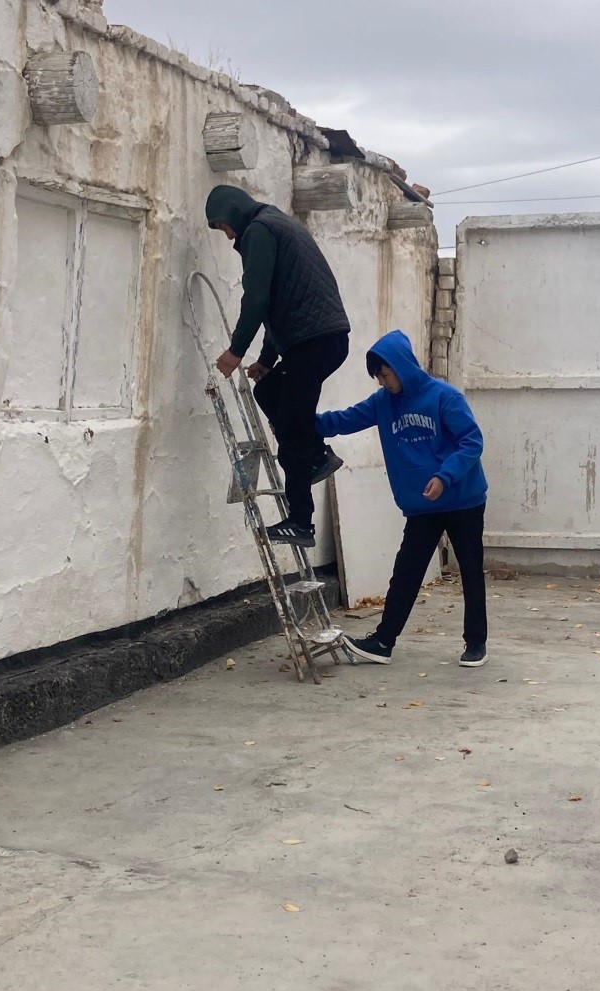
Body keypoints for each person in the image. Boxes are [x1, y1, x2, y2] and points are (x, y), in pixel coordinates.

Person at [316, 329, 489, 667]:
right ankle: (382, 642)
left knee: (470, 570)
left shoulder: (444, 397)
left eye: (385, 374)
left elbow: (472, 441)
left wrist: (444, 476)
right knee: (406, 572)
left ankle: (476, 643)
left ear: (401, 366)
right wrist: (300, 423)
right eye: (378, 377)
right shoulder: (383, 403)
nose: (382, 382)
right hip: (423, 505)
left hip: (463, 499)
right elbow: (344, 420)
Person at [205, 184, 350, 547]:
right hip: (320, 340)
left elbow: (257, 298)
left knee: (292, 434)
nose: (228, 235)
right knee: (269, 391)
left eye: (224, 226)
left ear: (233, 212)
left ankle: (301, 523)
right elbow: (280, 302)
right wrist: (267, 360)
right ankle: (316, 454)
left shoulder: (259, 230)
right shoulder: (276, 223)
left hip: (313, 342)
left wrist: (236, 351)